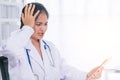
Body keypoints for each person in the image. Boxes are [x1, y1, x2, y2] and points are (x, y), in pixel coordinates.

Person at [3, 2, 103, 80]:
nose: (43, 29)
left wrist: (87, 75)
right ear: (27, 23)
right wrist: (27, 28)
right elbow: (10, 50)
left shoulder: (49, 47)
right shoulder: (17, 44)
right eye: (38, 24)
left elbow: (64, 69)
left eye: (45, 24)